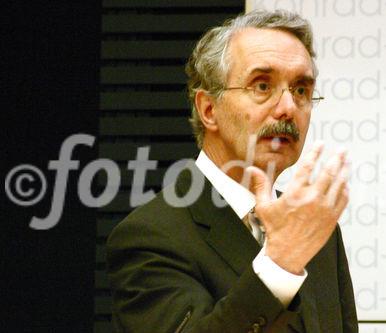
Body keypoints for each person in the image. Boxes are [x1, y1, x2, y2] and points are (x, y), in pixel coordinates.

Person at [107, 10, 358, 333]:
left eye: (300, 90)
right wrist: (280, 265)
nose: (288, 108)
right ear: (209, 109)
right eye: (263, 85)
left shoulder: (317, 235)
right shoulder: (149, 236)